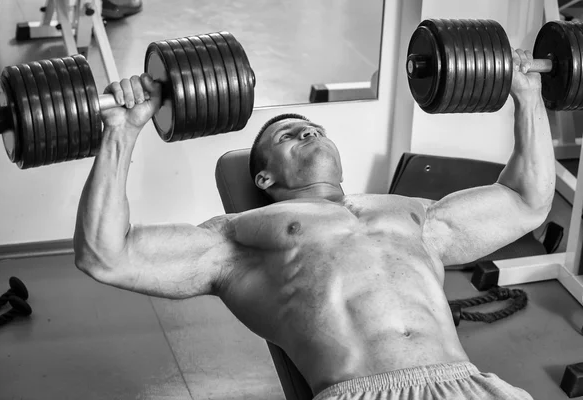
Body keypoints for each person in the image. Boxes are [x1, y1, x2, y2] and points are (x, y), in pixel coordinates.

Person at [74, 48, 552, 400]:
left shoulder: (414, 212)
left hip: (469, 387)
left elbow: (526, 200)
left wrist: (527, 94)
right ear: (264, 176)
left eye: (315, 130)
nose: (308, 131)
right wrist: (122, 130)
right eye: (288, 135)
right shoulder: (240, 236)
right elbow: (106, 254)